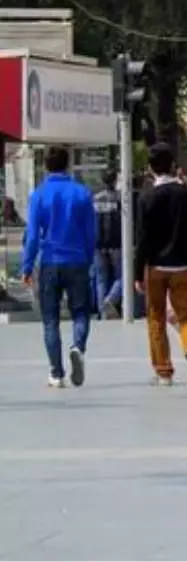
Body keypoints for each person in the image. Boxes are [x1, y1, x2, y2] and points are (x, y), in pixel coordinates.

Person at [21, 145, 97, 388]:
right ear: (68, 164)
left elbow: (32, 236)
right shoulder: (82, 193)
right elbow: (90, 233)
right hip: (77, 261)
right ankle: (78, 347)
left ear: (46, 165)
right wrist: (88, 258)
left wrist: (26, 266)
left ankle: (56, 373)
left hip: (50, 262)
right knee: (81, 313)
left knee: (50, 320)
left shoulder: (39, 195)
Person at [135, 143, 187, 386]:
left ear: (151, 169)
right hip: (184, 267)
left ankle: (163, 371)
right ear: (173, 165)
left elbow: (142, 239)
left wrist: (138, 272)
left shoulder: (146, 196)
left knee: (156, 318)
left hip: (156, 267)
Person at [93, 171, 121, 319]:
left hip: (98, 243)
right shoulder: (120, 198)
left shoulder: (95, 199)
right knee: (122, 276)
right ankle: (110, 300)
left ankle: (103, 312)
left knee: (101, 279)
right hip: (116, 242)